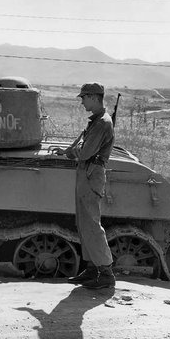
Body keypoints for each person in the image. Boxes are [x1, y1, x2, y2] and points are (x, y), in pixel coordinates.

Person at [54, 83, 116, 289]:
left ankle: (105, 272)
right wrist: (68, 151)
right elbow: (82, 147)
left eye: (84, 98)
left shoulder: (102, 123)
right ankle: (92, 268)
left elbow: (86, 152)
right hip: (86, 173)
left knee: (91, 223)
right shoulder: (97, 121)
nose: (81, 102)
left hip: (91, 173)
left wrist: (71, 152)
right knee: (83, 223)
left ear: (94, 97)